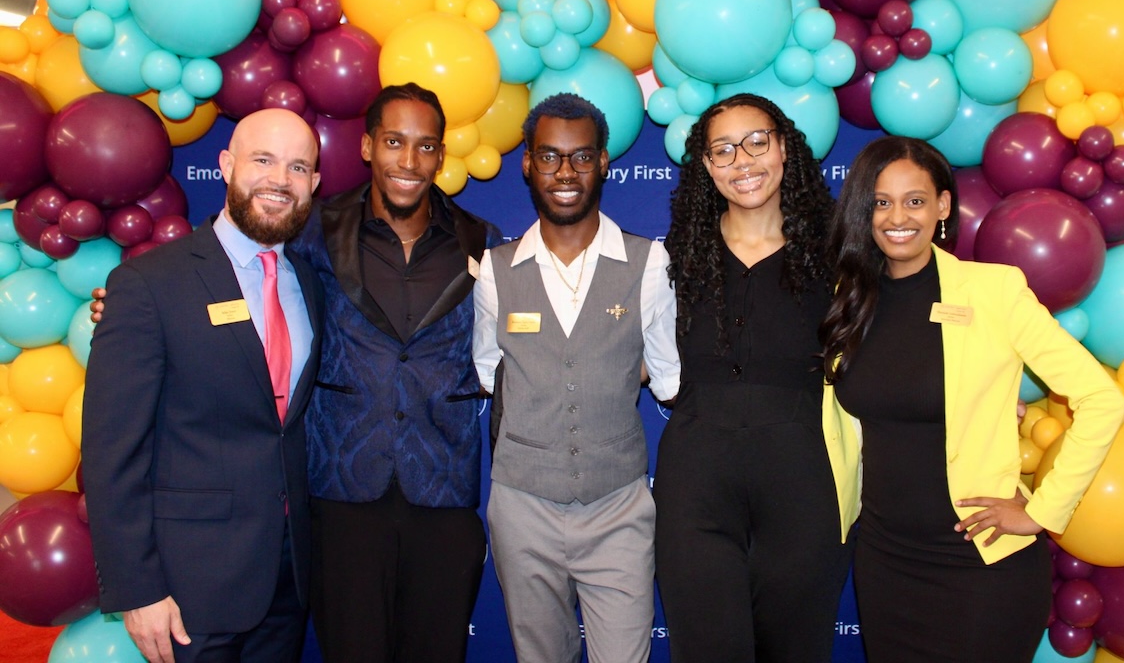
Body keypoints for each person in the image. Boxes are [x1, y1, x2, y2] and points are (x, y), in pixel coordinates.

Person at [819, 135, 1124, 662]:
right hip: (886, 559)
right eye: (881, 201)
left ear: (942, 206)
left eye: (915, 200)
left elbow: (1103, 399)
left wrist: (1045, 510)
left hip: (980, 565)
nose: (899, 216)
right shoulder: (850, 301)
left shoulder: (995, 291)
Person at [82, 108, 324, 663]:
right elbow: (111, 451)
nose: (279, 180)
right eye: (262, 160)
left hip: (287, 577)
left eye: (297, 167)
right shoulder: (149, 283)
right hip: (188, 585)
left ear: (313, 183)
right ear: (225, 164)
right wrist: (138, 589)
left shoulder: (307, 282)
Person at [291, 82, 502, 663]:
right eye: (393, 142)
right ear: (366, 147)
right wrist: (140, 297)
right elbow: (238, 268)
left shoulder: (482, 240)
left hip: (443, 488)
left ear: (441, 154)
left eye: (425, 146)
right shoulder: (315, 229)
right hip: (341, 491)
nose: (409, 162)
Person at [472, 92, 680, 663]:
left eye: (582, 157)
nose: (565, 172)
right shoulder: (495, 270)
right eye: (549, 156)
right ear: (527, 164)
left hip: (618, 505)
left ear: (605, 162)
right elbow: (489, 373)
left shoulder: (649, 262)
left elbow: (668, 377)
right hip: (522, 506)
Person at [654, 93, 858, 662]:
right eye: (723, 150)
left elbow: (899, 344)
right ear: (706, 166)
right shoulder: (675, 257)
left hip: (805, 478)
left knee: (796, 648)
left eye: (756, 142)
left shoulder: (838, 255)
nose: (742, 161)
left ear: (785, 146)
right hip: (696, 481)